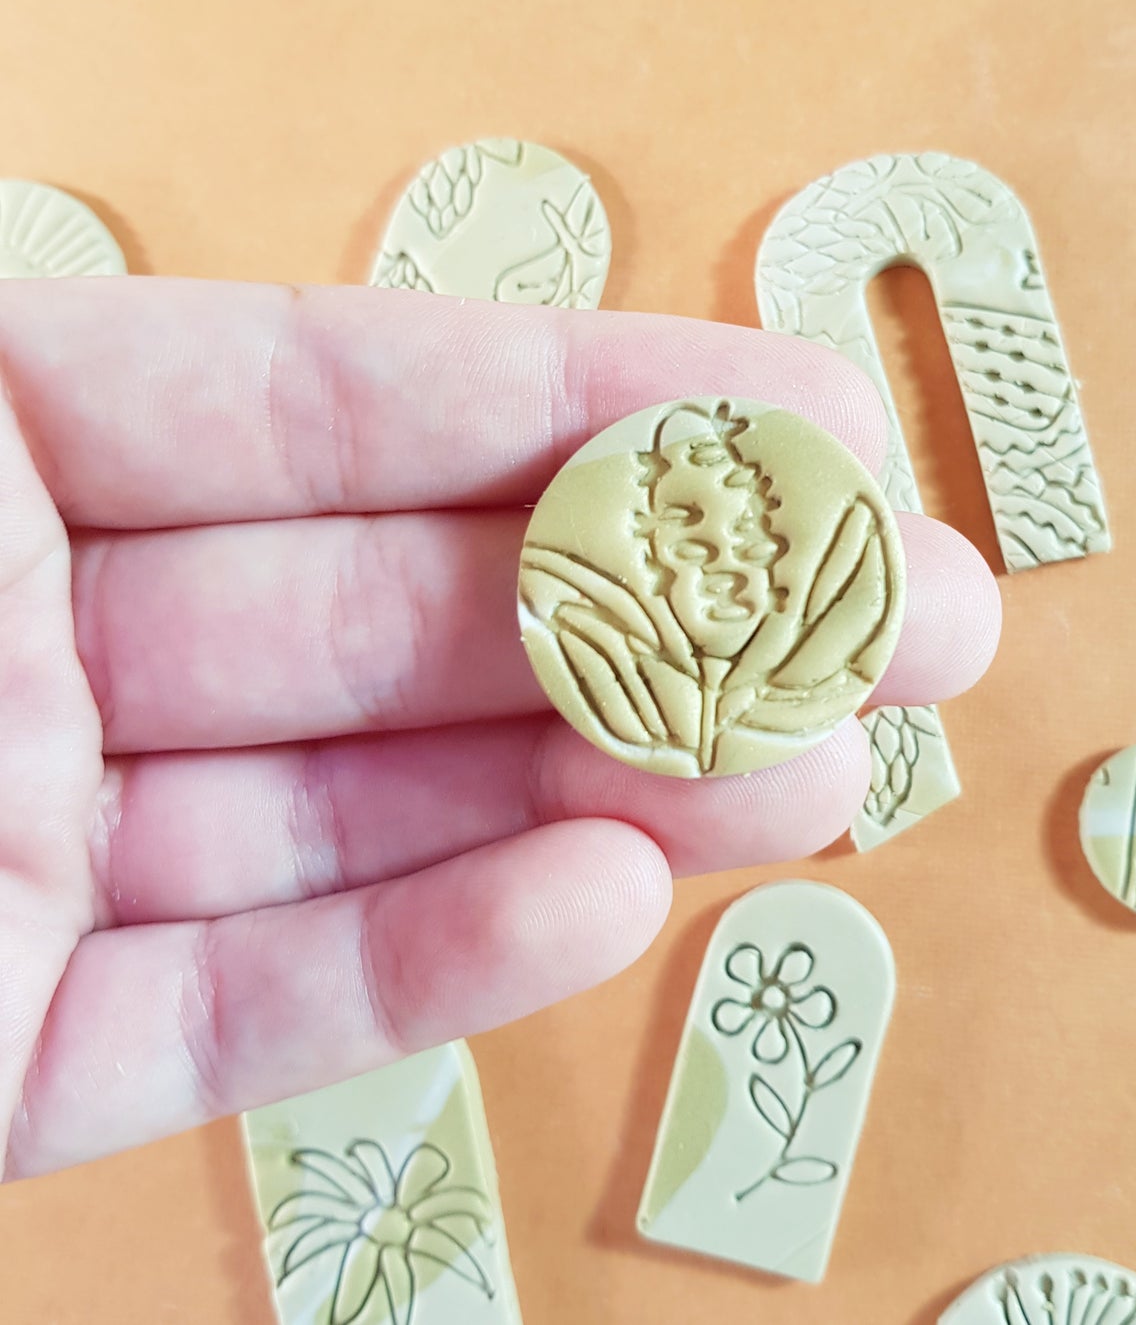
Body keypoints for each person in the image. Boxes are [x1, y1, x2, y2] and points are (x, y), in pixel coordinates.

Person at [0, 279, 1000, 1180]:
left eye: (740, 533)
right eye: (693, 531)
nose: (725, 552)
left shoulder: (807, 617)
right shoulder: (603, 620)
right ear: (654, 529)